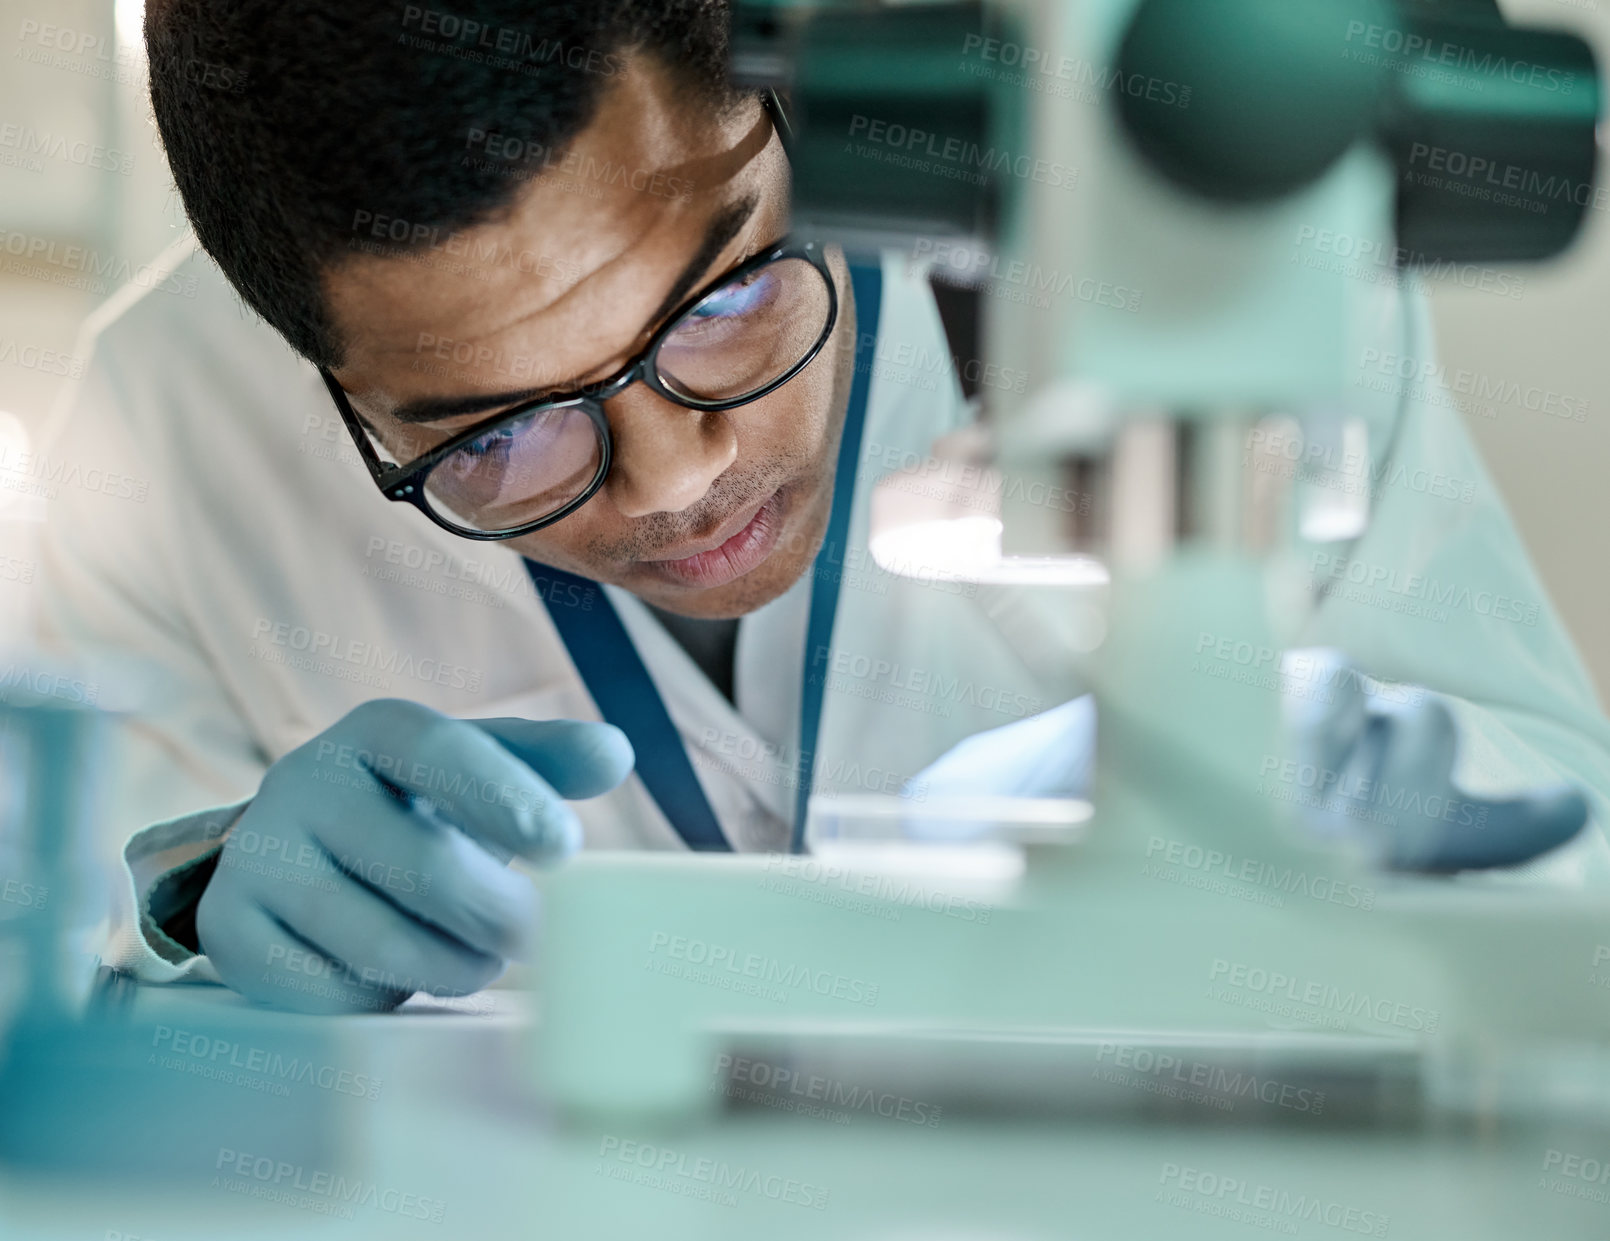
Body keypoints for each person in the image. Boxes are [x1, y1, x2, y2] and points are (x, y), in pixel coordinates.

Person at [34, 0, 1610, 1013]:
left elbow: (1571, 845)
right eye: (495, 438)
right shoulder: (164, 432)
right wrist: (195, 903)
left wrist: (1373, 828)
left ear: (798, 93)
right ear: (307, 365)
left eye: (721, 302)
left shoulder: (1191, 239)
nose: (678, 476)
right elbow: (69, 992)